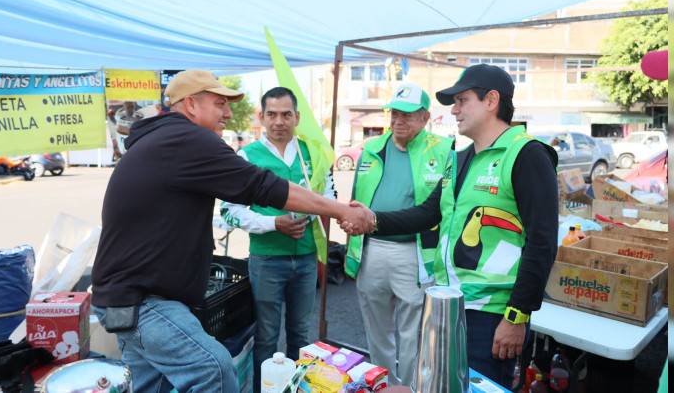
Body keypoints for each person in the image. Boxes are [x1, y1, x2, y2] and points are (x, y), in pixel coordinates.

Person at [90, 70, 371, 393]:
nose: (228, 113)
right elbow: (262, 187)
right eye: (220, 104)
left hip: (131, 296)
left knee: (150, 385)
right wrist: (340, 211)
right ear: (191, 105)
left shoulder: (166, 139)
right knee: (216, 369)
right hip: (144, 300)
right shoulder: (187, 139)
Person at [342, 64, 559, 389]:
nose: (454, 110)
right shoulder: (460, 159)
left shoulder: (526, 154)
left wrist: (516, 316)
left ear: (491, 101)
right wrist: (372, 220)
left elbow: (542, 242)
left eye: (462, 100)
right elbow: (427, 214)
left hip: (493, 315)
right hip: (449, 304)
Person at [220, 87, 337, 393]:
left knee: (300, 335)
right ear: (261, 117)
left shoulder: (312, 152)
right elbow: (228, 212)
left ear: (297, 117)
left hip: (307, 257)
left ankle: (298, 390)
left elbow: (329, 196)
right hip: (267, 260)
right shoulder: (247, 156)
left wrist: (306, 216)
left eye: (286, 114)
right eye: (271, 114)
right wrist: (274, 223)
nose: (279, 121)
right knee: (267, 337)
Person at [344, 83, 454, 387]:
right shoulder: (372, 148)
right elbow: (356, 197)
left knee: (413, 334)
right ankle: (382, 385)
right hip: (372, 251)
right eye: (394, 113)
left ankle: (408, 387)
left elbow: (437, 210)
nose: (398, 121)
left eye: (407, 115)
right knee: (377, 332)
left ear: (425, 117)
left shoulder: (443, 150)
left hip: (414, 253)